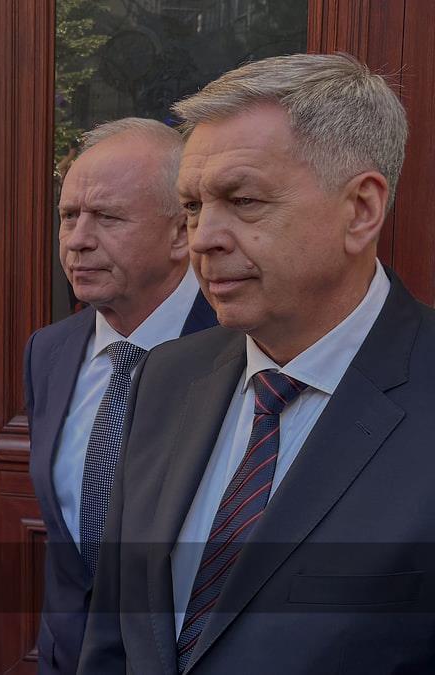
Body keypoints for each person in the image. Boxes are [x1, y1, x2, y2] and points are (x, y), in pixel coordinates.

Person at [80, 53, 435, 673]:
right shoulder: (166, 377)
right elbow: (114, 633)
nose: (202, 238)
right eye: (193, 206)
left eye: (242, 200)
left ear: (361, 209)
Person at [23, 118, 216, 675]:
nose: (77, 240)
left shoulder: (241, 351)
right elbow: (69, 553)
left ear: (180, 233)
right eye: (68, 216)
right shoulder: (48, 352)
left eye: (107, 217)